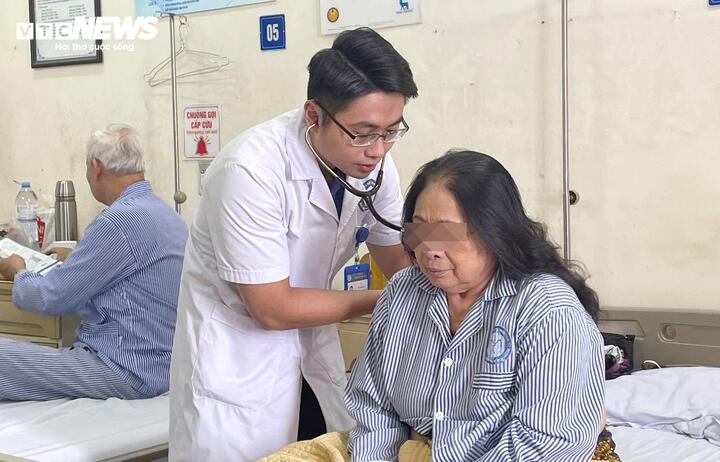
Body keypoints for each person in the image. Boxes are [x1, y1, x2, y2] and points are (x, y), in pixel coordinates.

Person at [169, 27, 418, 461]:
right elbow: (272, 307)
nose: (378, 149)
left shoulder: (373, 163)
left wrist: (450, 245)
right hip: (239, 364)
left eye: (391, 131)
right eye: (363, 133)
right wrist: (389, 298)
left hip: (310, 353)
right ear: (314, 114)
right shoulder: (248, 171)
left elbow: (398, 253)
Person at [345, 150, 605, 461]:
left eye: (447, 233)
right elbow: (372, 408)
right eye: (420, 229)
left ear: (494, 231)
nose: (430, 250)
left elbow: (545, 444)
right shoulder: (402, 293)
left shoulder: (547, 310)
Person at [0, 124, 188, 401]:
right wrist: (77, 258)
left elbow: (50, 298)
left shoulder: (117, 221)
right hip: (163, 367)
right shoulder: (164, 214)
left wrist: (17, 271)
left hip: (126, 369)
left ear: (96, 167)